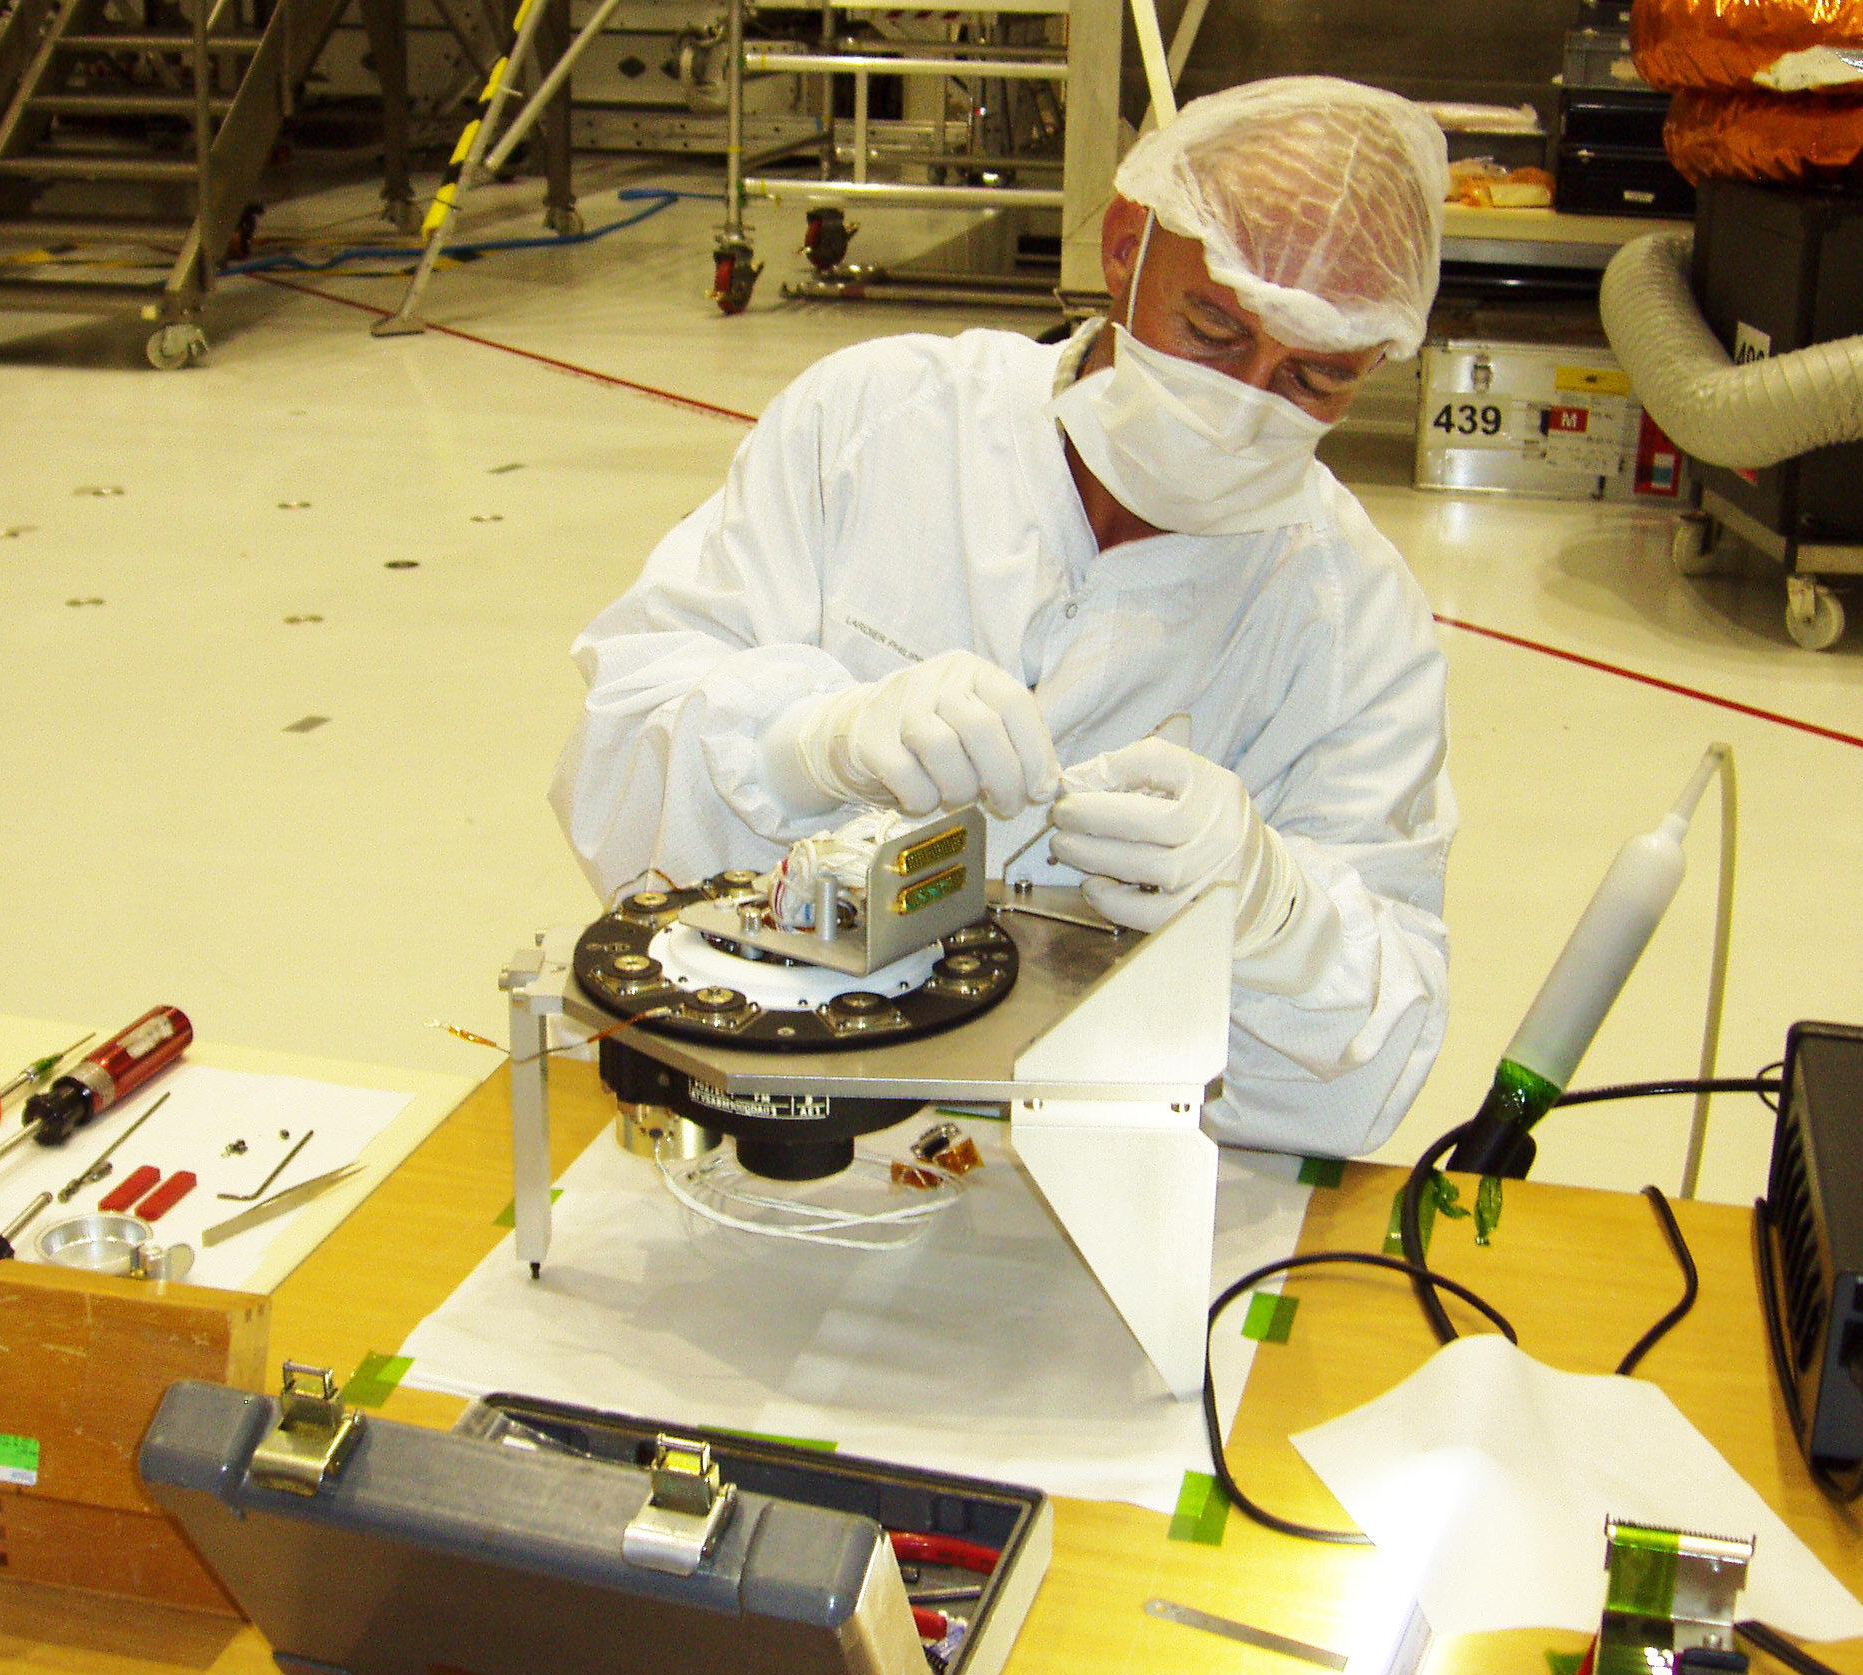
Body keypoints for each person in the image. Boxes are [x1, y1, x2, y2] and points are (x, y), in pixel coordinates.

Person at [551, 77, 1457, 1157]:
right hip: (762, 1124)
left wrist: (1274, 917)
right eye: (1213, 328)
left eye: (1316, 377)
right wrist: (801, 747)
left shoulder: (1354, 620)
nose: (1244, 401)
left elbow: (1362, 1089)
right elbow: (611, 762)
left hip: (1099, 1185)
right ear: (1126, 247)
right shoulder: (878, 422)